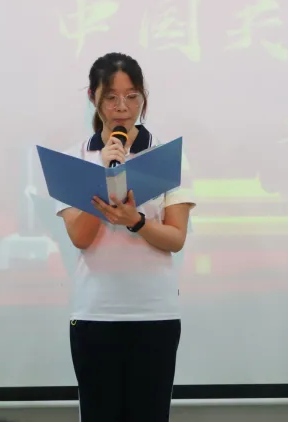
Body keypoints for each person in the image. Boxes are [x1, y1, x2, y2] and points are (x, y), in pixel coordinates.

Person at [55, 52, 195, 422]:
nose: (122, 108)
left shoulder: (167, 157)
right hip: (95, 313)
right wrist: (103, 176)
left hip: (154, 313)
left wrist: (137, 222)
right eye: (111, 98)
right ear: (93, 98)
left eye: (132, 97)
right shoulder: (75, 158)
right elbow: (80, 237)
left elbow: (175, 238)